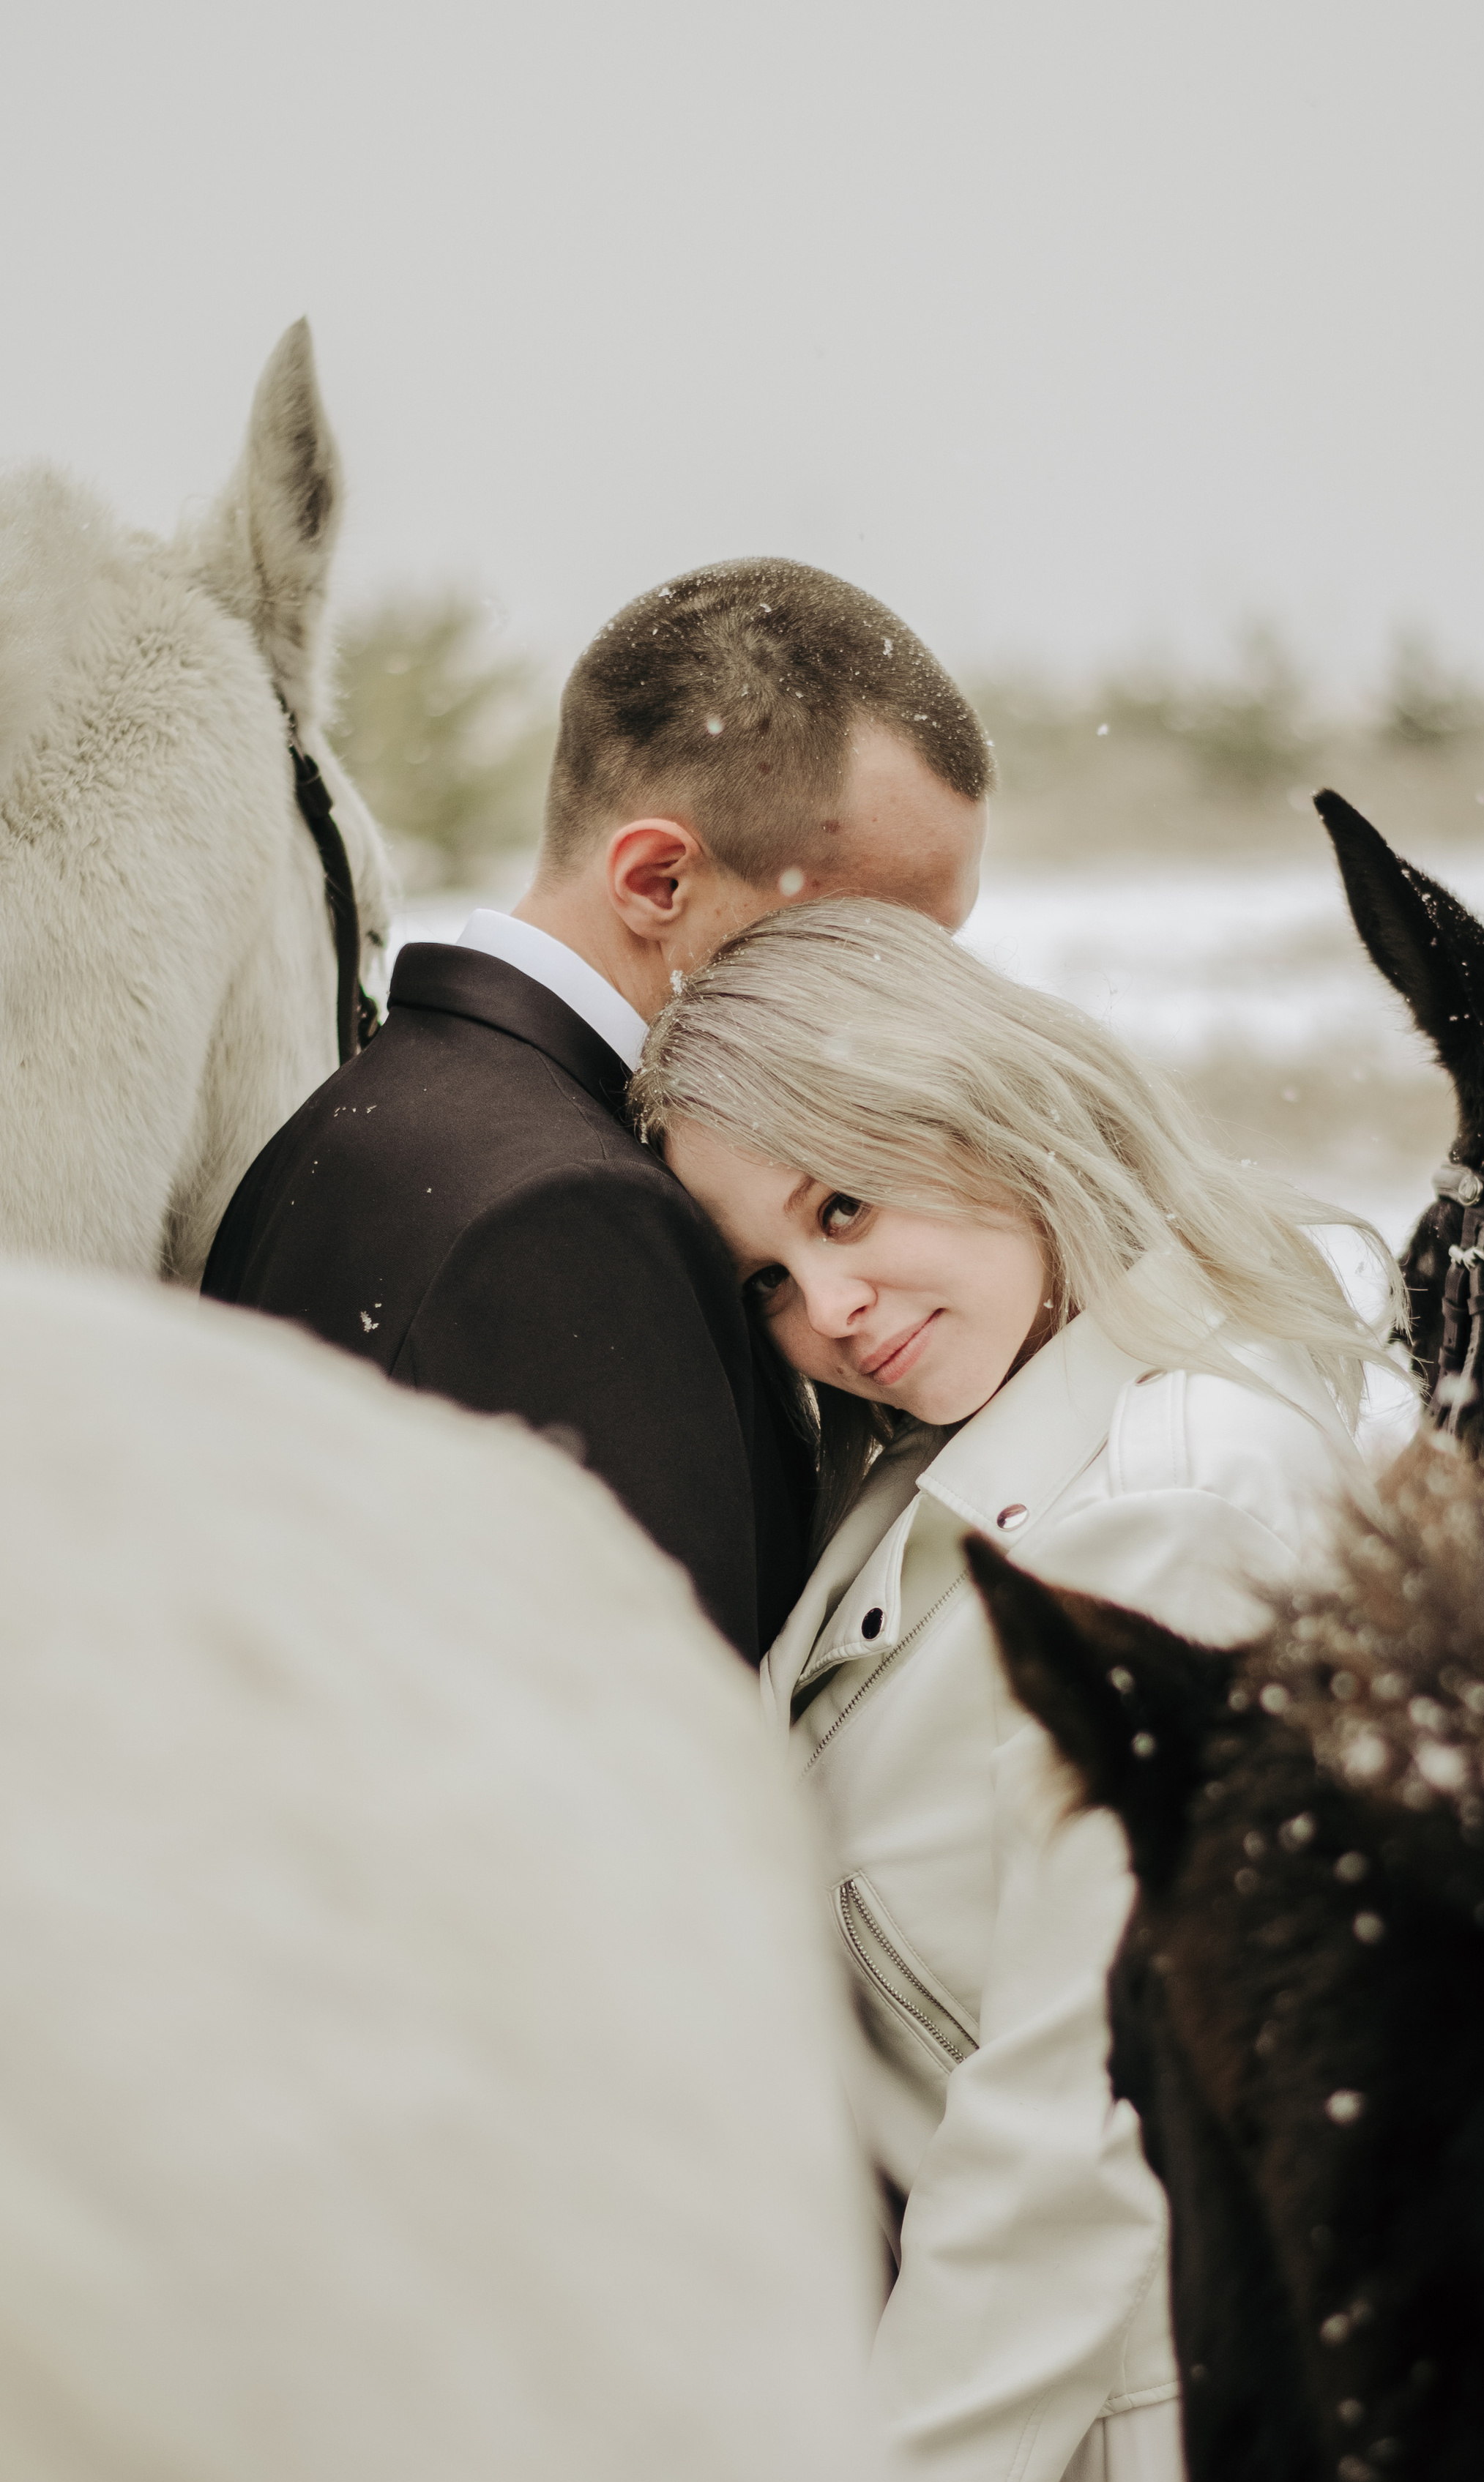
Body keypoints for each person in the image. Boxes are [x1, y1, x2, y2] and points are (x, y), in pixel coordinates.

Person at [631, 902, 1400, 2482]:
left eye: (844, 1204)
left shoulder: (1182, 1498)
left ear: (971, 1112)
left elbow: (1087, 2106)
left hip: (1129, 2460)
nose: (836, 1310)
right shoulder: (953, 1460)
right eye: (772, 1280)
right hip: (1015, 2429)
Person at [201, 561, 991, 1661]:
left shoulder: (351, 1126)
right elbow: (661, 1783)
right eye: (873, 945)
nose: (922, 1011)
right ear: (660, 882)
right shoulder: (568, 1221)